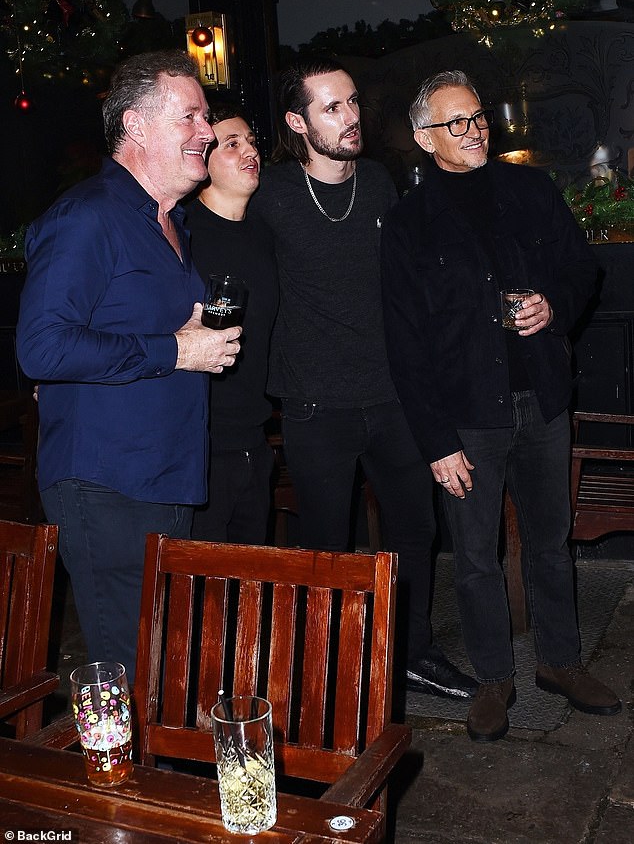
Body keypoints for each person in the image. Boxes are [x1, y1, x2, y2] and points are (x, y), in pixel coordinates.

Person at [380, 69, 621, 742]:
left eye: (479, 116)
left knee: (550, 541)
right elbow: (404, 342)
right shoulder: (406, 224)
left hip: (541, 399)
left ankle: (561, 663)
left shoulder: (530, 189)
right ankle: (494, 679)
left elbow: (582, 271)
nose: (475, 129)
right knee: (477, 555)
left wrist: (555, 305)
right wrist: (435, 441)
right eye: (456, 122)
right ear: (427, 138)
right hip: (465, 417)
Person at [250, 57, 477, 701]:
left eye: (352, 103)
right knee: (328, 541)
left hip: (392, 394)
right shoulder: (273, 193)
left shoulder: (378, 182)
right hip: (316, 403)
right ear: (299, 122)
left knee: (415, 529)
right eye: (331, 108)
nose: (351, 118)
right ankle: (333, 668)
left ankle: (411, 653)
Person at [17, 50, 240, 684]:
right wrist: (176, 349)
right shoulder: (87, 215)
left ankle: (146, 779)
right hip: (105, 484)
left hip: (165, 477)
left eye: (207, 117)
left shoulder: (170, 223)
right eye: (191, 117)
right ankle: (114, 783)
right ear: (136, 124)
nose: (207, 131)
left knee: (165, 667)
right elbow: (41, 348)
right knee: (124, 671)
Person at [186, 105, 278, 544]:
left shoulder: (266, 232)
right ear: (202, 163)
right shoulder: (182, 235)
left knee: (249, 596)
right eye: (232, 144)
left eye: (252, 141)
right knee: (200, 596)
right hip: (200, 447)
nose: (250, 151)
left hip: (255, 441)